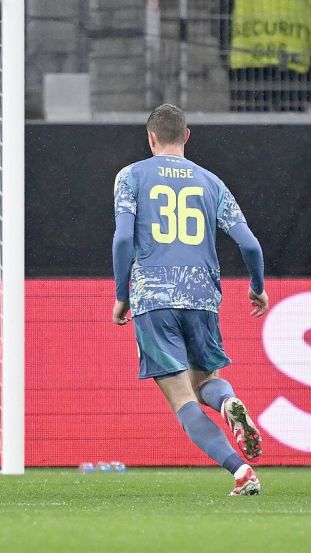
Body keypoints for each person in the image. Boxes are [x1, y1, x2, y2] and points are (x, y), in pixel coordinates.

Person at [112, 103, 266, 496]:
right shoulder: (212, 183)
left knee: (183, 400)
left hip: (154, 296)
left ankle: (240, 470)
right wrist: (257, 285)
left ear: (151, 138)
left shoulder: (130, 176)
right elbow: (250, 244)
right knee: (207, 383)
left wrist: (121, 294)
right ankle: (229, 402)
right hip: (201, 296)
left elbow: (124, 238)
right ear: (187, 136)